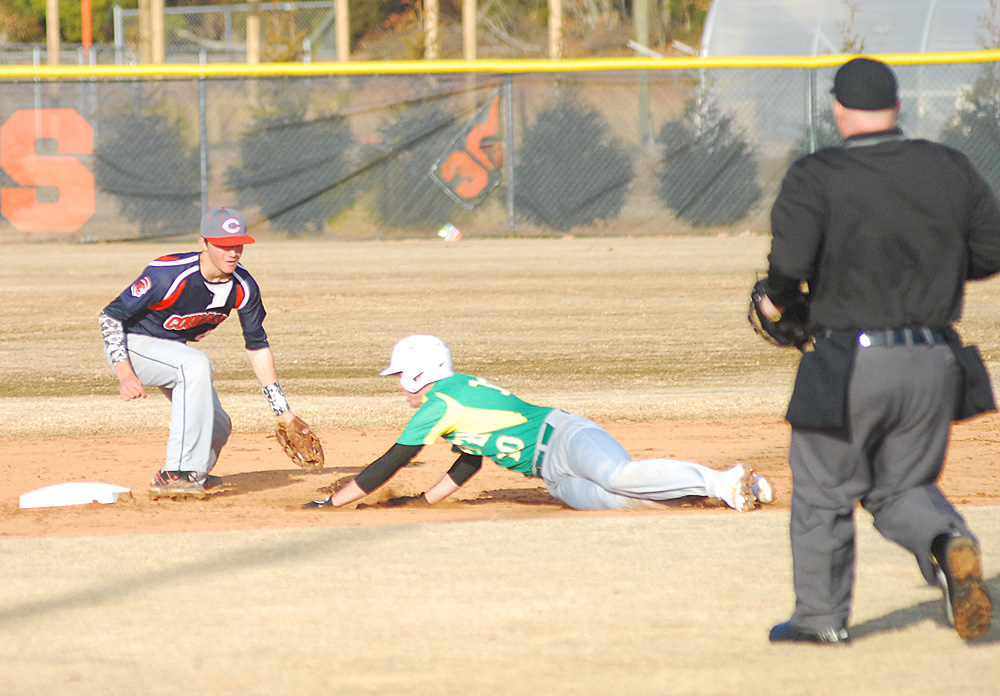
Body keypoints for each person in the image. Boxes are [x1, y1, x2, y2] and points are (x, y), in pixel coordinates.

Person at [757, 57, 998, 644]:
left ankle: (820, 619)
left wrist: (776, 303)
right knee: (901, 486)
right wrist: (932, 275)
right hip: (935, 360)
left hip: (854, 362)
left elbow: (788, 270)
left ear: (838, 108)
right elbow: (992, 250)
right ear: (898, 106)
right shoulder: (949, 166)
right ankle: (947, 543)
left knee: (823, 490)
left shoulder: (817, 174)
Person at [304, 334, 774, 513]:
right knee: (619, 503)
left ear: (418, 374)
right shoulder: (452, 400)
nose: (398, 385)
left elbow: (391, 462)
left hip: (564, 436)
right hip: (551, 476)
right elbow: (471, 458)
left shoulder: (439, 403)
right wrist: (425, 501)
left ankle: (724, 479)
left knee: (618, 476)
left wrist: (334, 500)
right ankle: (724, 496)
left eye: (399, 376)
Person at [99, 207, 306, 499]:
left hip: (173, 353)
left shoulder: (243, 287)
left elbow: (257, 346)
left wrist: (283, 413)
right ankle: (175, 473)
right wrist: (124, 373)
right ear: (203, 243)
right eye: (223, 245)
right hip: (132, 345)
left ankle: (193, 476)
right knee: (195, 364)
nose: (232, 252)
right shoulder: (167, 274)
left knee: (218, 424)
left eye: (238, 245)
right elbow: (110, 317)